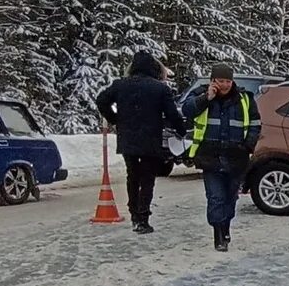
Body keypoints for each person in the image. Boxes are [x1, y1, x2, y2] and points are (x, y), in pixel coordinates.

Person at [95, 51, 187, 235]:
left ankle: (134, 214)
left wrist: (115, 119)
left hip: (127, 137)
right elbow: (171, 113)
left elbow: (101, 100)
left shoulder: (121, 85)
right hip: (150, 139)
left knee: (132, 175)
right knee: (147, 178)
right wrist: (181, 130)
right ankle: (143, 217)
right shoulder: (160, 88)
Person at [182, 65, 261, 252]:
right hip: (210, 156)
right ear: (213, 81)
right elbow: (187, 110)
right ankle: (218, 235)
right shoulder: (201, 95)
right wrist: (206, 98)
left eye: (228, 81)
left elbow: (256, 123)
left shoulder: (244, 99)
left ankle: (225, 227)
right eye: (221, 81)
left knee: (230, 197)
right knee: (215, 197)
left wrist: (248, 145)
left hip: (236, 157)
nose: (225, 85)